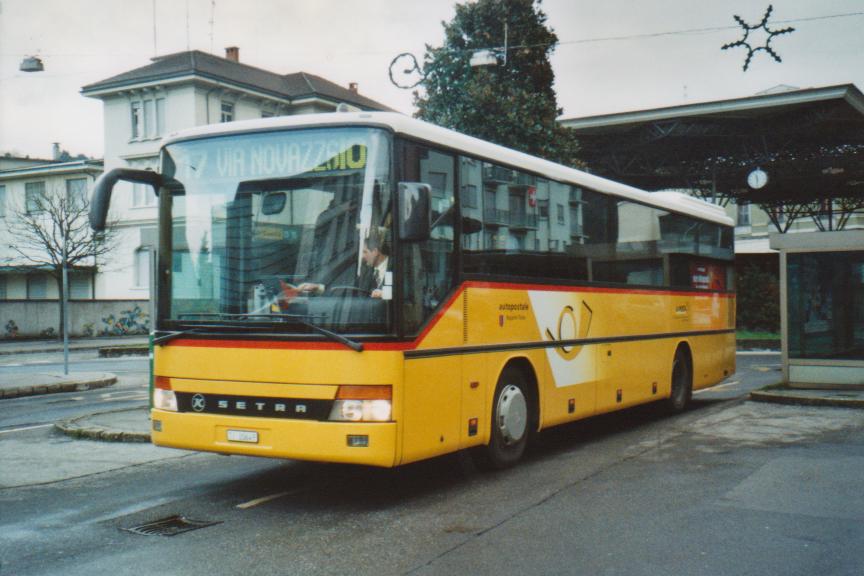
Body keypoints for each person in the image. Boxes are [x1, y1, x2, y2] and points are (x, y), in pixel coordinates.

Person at [296, 232, 390, 298]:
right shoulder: (368, 271)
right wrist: (317, 287)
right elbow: (349, 290)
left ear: (375, 252)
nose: (362, 256)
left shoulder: (398, 267)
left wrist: (384, 294)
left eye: (365, 252)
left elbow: (403, 295)